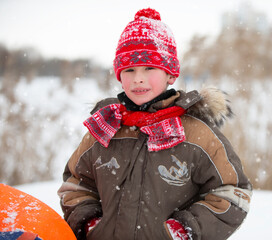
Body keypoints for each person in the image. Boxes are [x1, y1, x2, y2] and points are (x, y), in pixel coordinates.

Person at [58, 8, 252, 240]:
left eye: (149, 68)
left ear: (170, 74)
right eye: (129, 69)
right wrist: (90, 222)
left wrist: (185, 230)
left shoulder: (196, 133)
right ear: (119, 76)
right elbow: (76, 183)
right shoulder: (104, 130)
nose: (138, 78)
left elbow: (232, 191)